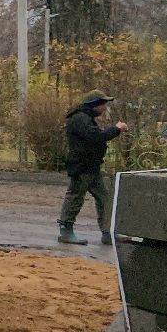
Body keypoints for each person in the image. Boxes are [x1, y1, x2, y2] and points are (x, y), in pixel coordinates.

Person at [60, 90, 128, 246]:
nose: (105, 108)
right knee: (75, 198)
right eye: (103, 104)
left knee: (104, 199)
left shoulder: (85, 118)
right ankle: (65, 231)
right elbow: (96, 137)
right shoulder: (80, 119)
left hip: (91, 167)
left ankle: (107, 232)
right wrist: (116, 129)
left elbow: (95, 136)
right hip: (82, 167)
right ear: (94, 105)